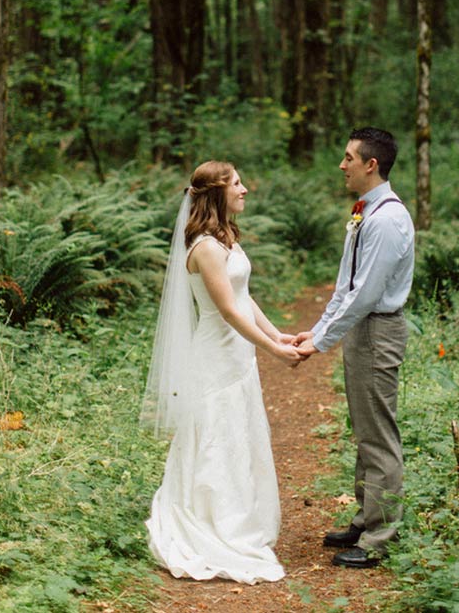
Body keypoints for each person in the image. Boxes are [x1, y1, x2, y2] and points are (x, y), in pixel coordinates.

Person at [140, 160, 301, 584]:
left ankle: (236, 515)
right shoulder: (206, 248)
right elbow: (227, 311)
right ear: (217, 193)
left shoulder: (225, 238)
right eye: (237, 184)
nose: (245, 189)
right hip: (214, 358)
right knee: (215, 438)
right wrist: (274, 351)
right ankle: (213, 524)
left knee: (237, 435)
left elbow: (246, 299)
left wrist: (278, 335)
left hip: (238, 356)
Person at [294, 127, 415, 568]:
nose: (341, 165)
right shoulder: (366, 211)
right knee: (365, 428)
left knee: (379, 433)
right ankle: (366, 519)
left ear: (371, 165)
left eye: (348, 158)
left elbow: (365, 295)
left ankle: (380, 537)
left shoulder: (387, 219)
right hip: (363, 329)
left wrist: (321, 342)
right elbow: (346, 284)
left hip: (378, 329)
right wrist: (318, 329)